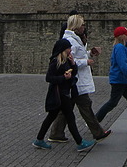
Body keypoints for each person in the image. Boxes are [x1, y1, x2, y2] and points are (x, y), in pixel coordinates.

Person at [48, 15, 112, 143]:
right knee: (85, 105)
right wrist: (85, 62)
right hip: (75, 80)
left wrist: (90, 53)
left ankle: (56, 133)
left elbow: (78, 55)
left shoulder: (76, 39)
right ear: (76, 26)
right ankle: (98, 132)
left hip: (75, 80)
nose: (84, 27)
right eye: (82, 25)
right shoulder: (70, 40)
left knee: (67, 108)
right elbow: (68, 60)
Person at [32, 38, 96, 152]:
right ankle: (80, 142)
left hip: (65, 93)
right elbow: (49, 78)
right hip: (60, 94)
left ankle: (39, 139)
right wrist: (63, 78)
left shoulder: (66, 61)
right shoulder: (55, 62)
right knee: (70, 118)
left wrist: (73, 64)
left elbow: (74, 73)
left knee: (52, 117)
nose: (70, 50)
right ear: (63, 49)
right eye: (68, 48)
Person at [95, 26, 127, 133]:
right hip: (119, 80)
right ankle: (94, 121)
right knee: (113, 102)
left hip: (123, 80)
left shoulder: (122, 47)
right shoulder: (120, 48)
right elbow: (123, 65)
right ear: (122, 36)